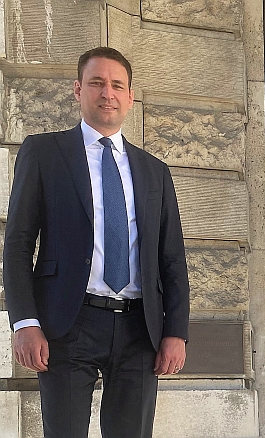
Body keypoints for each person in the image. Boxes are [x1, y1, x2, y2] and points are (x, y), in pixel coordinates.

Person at [3, 47, 190, 437]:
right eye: (97, 83)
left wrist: (176, 331)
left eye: (117, 85)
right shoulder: (44, 153)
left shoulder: (155, 171)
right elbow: (18, 244)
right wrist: (25, 322)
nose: (108, 93)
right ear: (78, 89)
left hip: (140, 328)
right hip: (68, 324)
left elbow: (171, 257)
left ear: (130, 96)